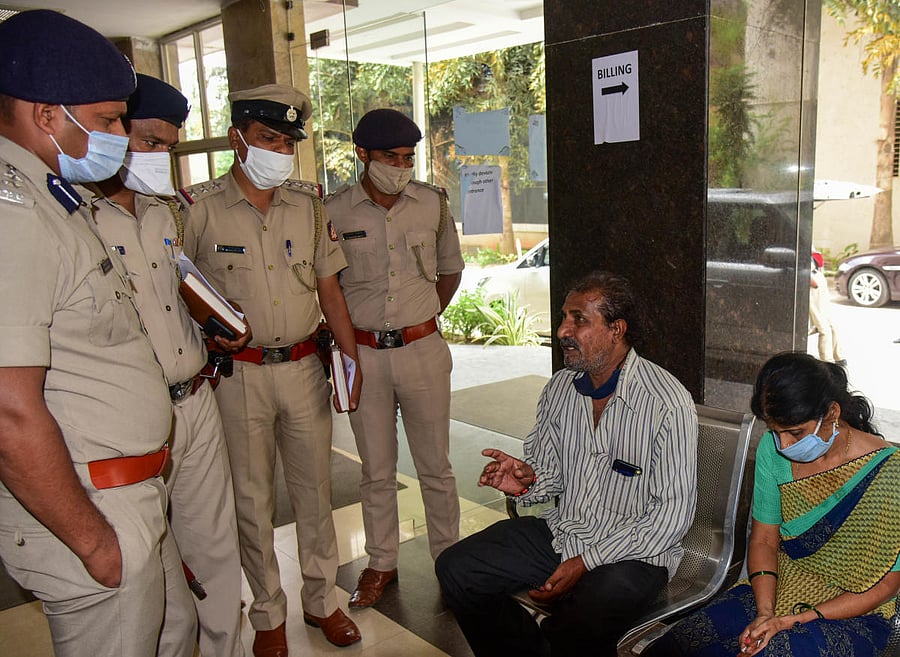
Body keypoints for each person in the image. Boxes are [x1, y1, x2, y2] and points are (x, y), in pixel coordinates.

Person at [0, 10, 188, 657]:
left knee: (177, 632)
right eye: (109, 120)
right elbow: (7, 409)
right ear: (47, 115)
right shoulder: (14, 213)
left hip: (131, 495)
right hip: (94, 510)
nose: (119, 136)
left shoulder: (55, 197)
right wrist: (94, 542)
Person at [181, 83, 362, 655]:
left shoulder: (308, 207)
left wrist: (351, 361)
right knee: (252, 502)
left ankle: (321, 600)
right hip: (239, 377)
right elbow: (179, 292)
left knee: (315, 495)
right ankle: (267, 616)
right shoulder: (199, 209)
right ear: (239, 138)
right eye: (268, 139)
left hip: (305, 368)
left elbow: (330, 289)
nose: (279, 151)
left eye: (287, 142)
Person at [435, 271, 698, 657]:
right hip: (564, 532)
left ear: (616, 329)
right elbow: (548, 473)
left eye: (578, 319)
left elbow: (671, 516)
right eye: (563, 318)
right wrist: (526, 480)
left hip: (635, 553)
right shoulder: (560, 388)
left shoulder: (666, 402)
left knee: (585, 613)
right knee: (457, 569)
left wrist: (586, 561)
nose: (562, 330)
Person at [90, 74, 249, 657]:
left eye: (169, 147)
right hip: (128, 420)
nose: (161, 157)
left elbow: (174, 296)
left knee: (215, 545)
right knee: (150, 565)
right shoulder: (77, 217)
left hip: (196, 399)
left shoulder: (167, 215)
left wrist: (215, 328)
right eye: (149, 141)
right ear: (109, 130)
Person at [643, 351, 900, 657]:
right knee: (680, 645)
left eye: (795, 432)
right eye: (775, 431)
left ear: (832, 413)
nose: (784, 446)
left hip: (854, 608)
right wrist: (766, 613)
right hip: (778, 584)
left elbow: (885, 585)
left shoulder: (889, 473)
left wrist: (793, 621)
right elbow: (765, 539)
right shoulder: (772, 449)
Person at [325, 108, 464, 608]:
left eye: (408, 157)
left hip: (423, 351)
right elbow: (329, 289)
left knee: (436, 467)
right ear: (362, 154)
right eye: (390, 157)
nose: (401, 166)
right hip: (362, 354)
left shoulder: (432, 204)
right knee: (376, 470)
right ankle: (381, 562)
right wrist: (351, 348)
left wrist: (420, 320)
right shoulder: (333, 211)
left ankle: (449, 562)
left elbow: (450, 271)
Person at [808, 249, 846, 366]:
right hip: (813, 281)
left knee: (831, 325)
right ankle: (827, 361)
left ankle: (838, 357)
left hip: (818, 278)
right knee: (823, 327)